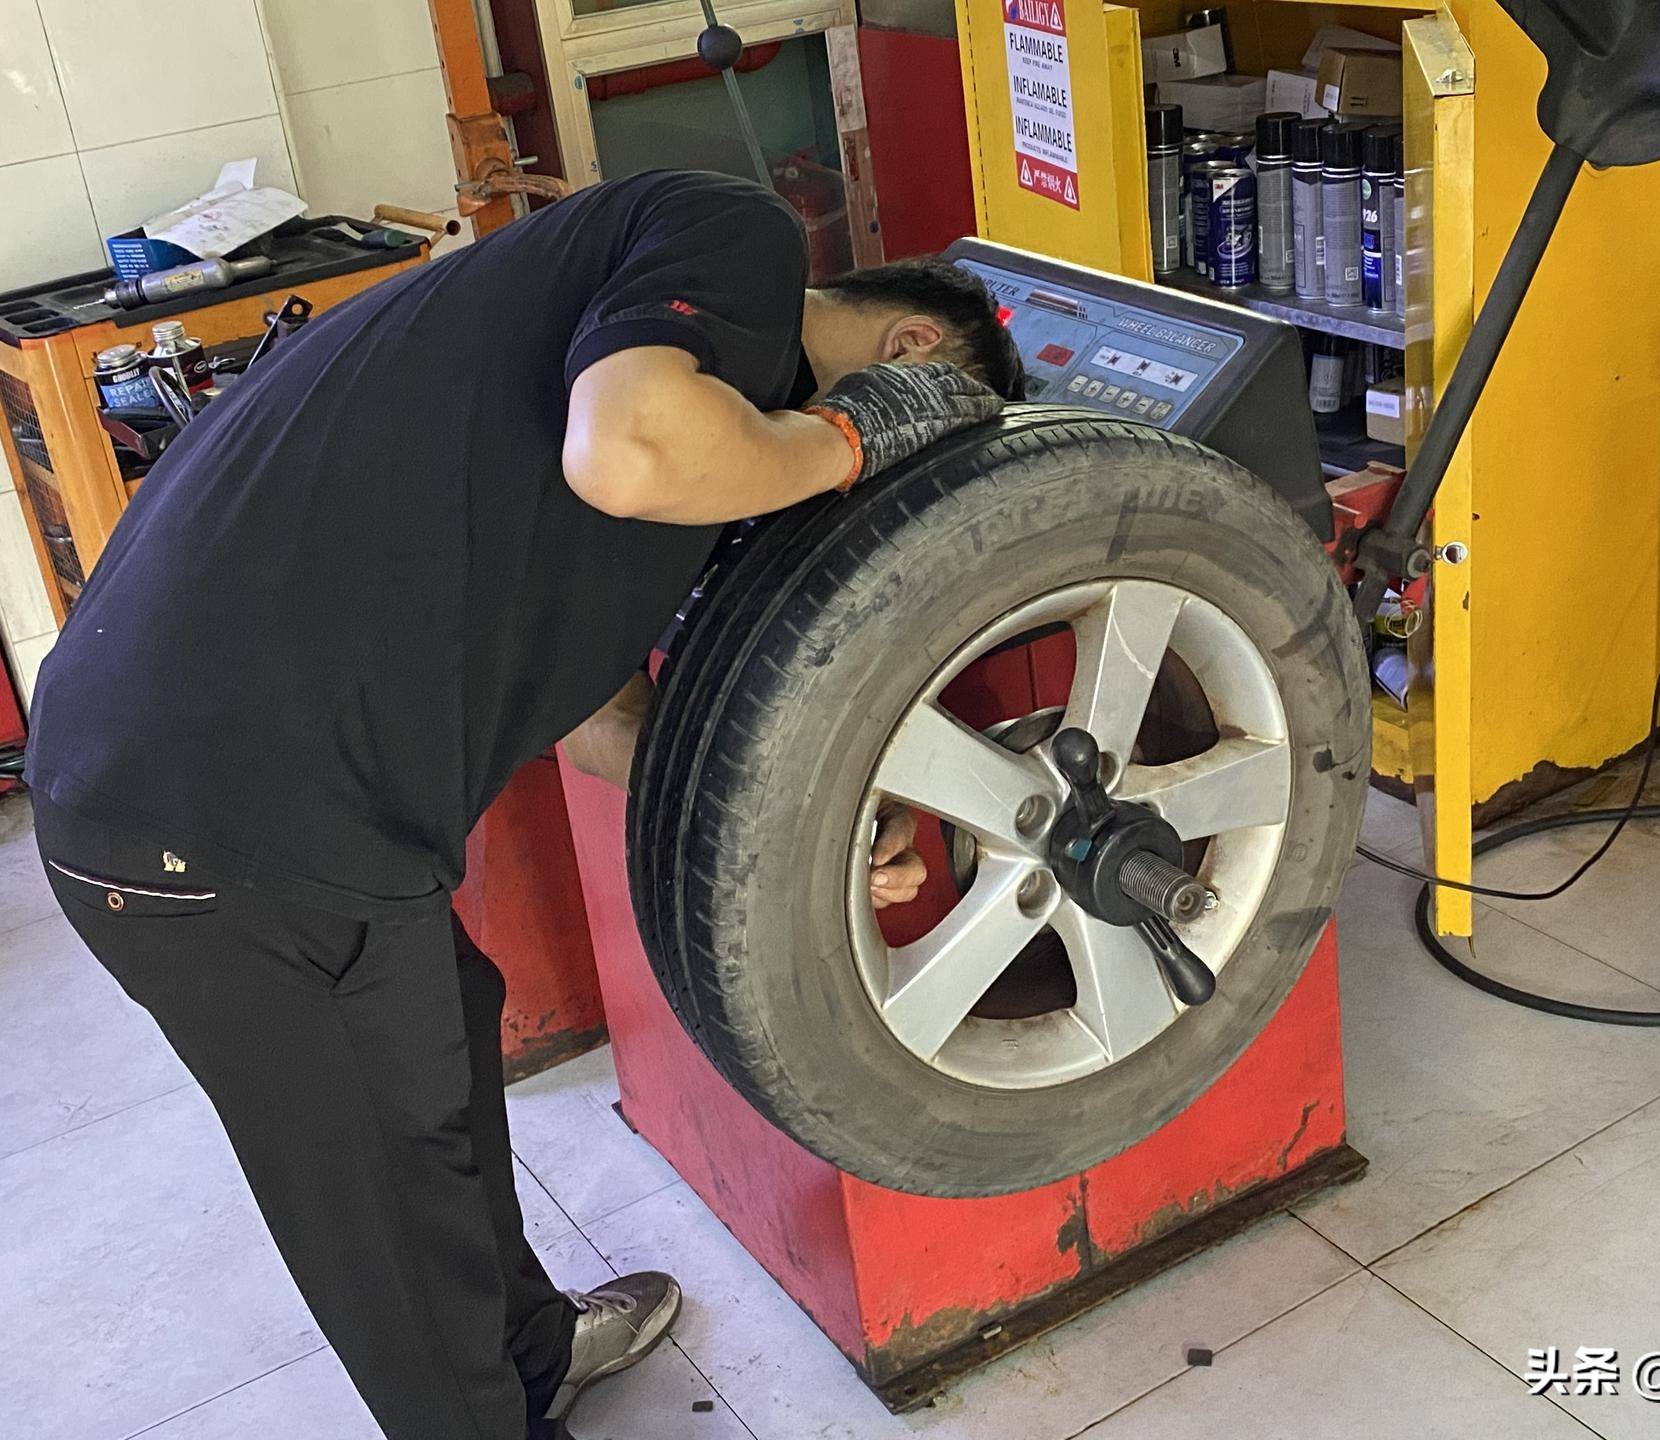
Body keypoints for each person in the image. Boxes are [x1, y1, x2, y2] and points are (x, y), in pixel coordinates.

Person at [25, 169, 1023, 1440]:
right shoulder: (731, 237)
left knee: (439, 1040)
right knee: (380, 1197)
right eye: (903, 421)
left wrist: (820, 819)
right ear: (910, 349)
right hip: (210, 816)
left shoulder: (633, 403)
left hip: (257, 786)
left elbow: (600, 718)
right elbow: (632, 450)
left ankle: (532, 1352)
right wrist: (852, 439)